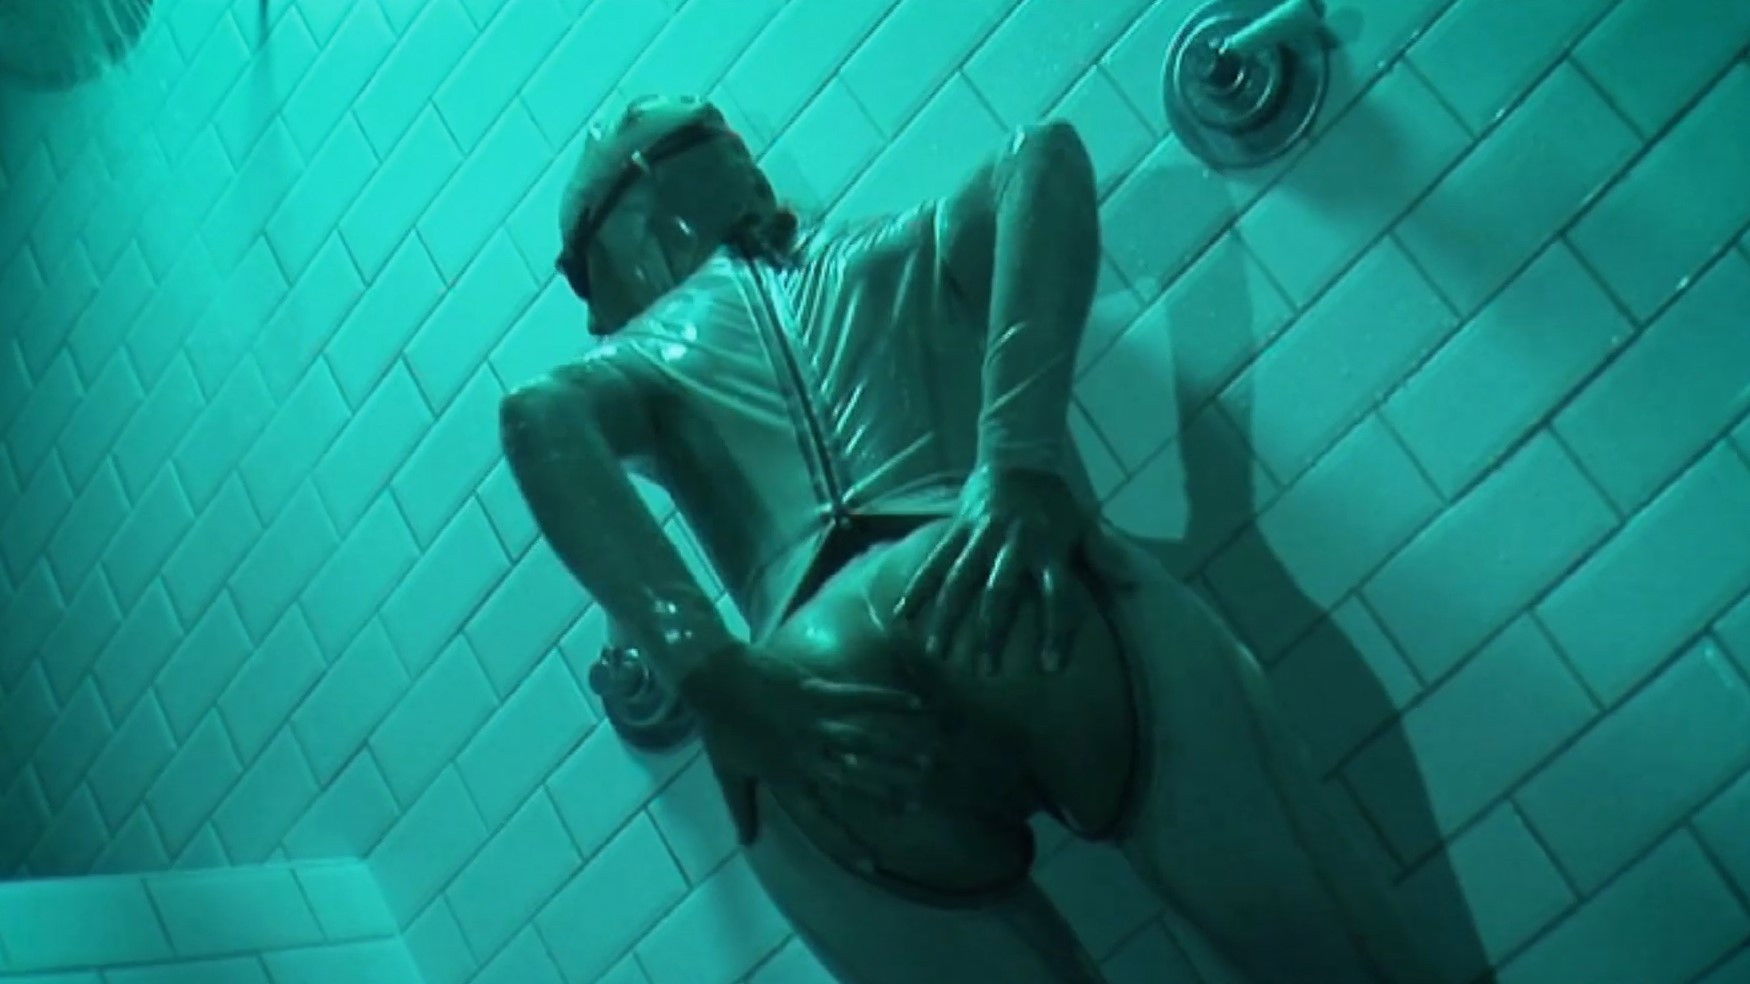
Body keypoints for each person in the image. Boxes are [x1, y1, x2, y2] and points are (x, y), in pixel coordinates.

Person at [500, 94, 1444, 984]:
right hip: (989, 573)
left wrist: (713, 675)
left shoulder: (631, 361)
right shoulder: (888, 248)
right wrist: (1019, 462)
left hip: (810, 699)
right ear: (744, 177)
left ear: (625, 259)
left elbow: (536, 416)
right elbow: (1042, 155)